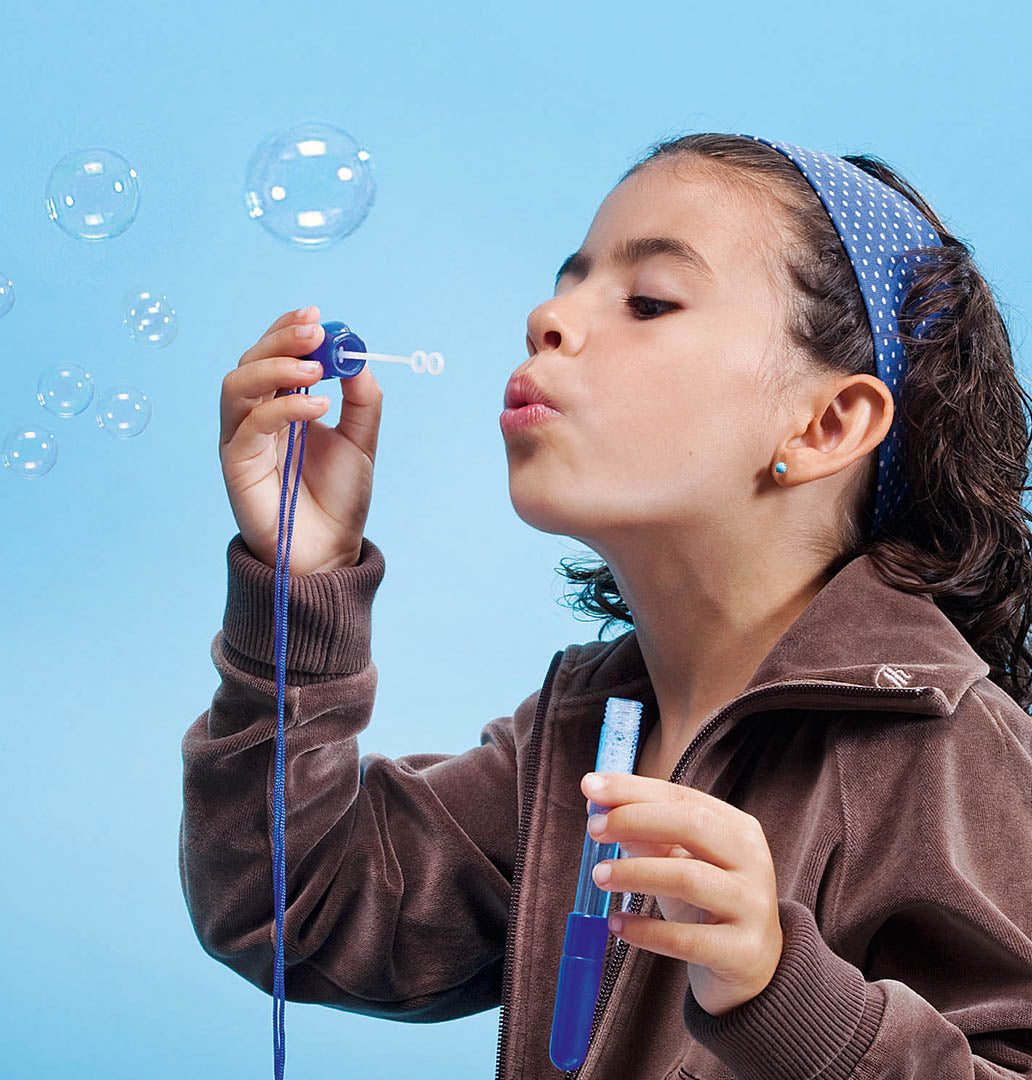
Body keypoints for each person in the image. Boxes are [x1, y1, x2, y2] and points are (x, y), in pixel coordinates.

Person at [179, 132, 1032, 1078]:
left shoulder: (951, 751)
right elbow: (294, 905)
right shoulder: (581, 739)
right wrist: (298, 588)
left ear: (828, 423)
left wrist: (787, 997)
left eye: (649, 301)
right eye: (567, 281)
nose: (548, 316)